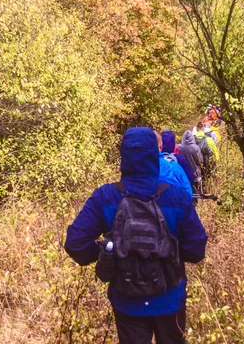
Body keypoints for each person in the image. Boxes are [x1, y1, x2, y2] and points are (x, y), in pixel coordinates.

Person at [64, 127, 208, 344]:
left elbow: (76, 245)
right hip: (170, 301)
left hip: (127, 302)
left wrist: (109, 251)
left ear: (124, 156)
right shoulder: (176, 196)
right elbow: (196, 250)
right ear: (154, 153)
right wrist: (168, 251)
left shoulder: (106, 196)